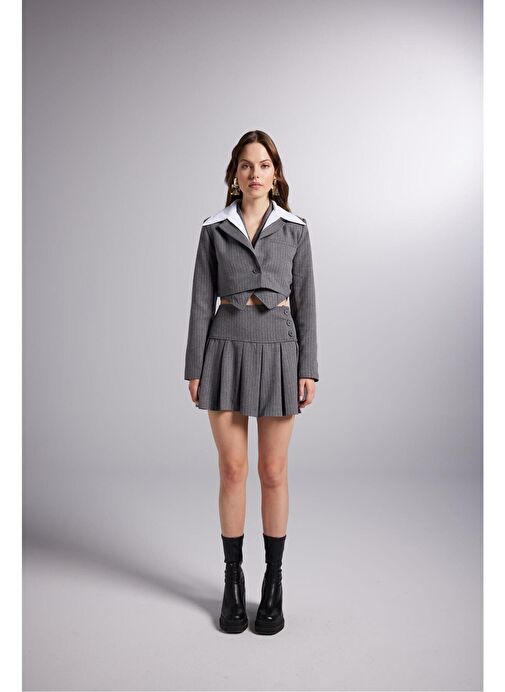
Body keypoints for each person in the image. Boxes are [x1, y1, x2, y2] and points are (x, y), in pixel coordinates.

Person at [184, 130, 319, 635]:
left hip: (280, 349)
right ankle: (233, 580)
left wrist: (309, 367)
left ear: (275, 175)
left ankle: (274, 581)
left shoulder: (296, 230)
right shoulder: (214, 229)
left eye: (264, 165)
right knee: (233, 469)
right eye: (246, 165)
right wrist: (194, 367)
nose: (255, 173)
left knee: (273, 470)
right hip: (224, 349)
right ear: (235, 175)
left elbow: (306, 300)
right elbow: (201, 299)